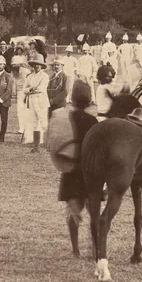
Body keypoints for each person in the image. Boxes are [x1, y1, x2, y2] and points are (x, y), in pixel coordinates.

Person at [58, 80, 100, 257]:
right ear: (89, 100)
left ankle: (75, 250)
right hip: (91, 172)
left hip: (72, 172)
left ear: (72, 100)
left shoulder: (66, 120)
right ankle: (95, 249)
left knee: (73, 213)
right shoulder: (93, 121)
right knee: (94, 214)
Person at [21, 53, 49, 152]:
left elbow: (42, 89)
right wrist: (32, 89)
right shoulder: (29, 76)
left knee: (43, 122)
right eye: (35, 64)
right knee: (34, 123)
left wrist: (31, 89)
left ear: (41, 65)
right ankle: (36, 146)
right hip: (32, 101)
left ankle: (49, 143)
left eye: (38, 64)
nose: (36, 66)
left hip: (41, 101)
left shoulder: (44, 76)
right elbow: (24, 89)